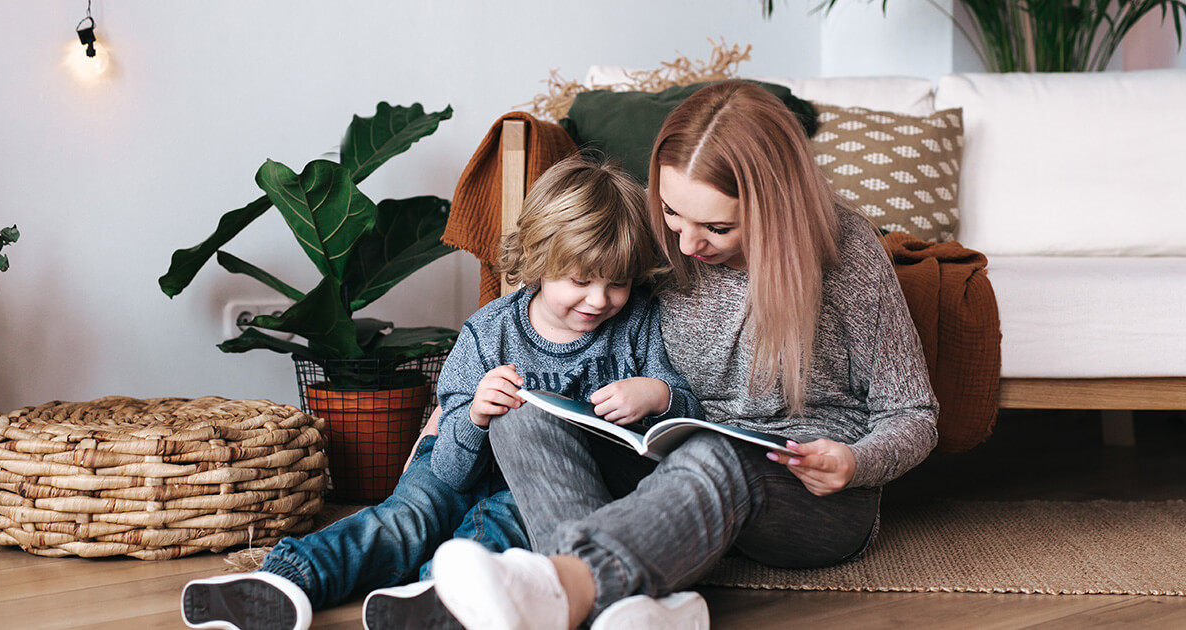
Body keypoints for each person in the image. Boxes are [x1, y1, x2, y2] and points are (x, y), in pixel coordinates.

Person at [428, 79, 940, 630]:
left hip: (809, 494)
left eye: (717, 227)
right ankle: (625, 609)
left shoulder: (849, 255)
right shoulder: (664, 238)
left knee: (717, 457)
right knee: (522, 417)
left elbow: (914, 415)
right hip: (672, 464)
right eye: (672, 212)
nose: (687, 245)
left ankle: (566, 589)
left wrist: (855, 463)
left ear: (778, 207)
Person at [180, 154, 703, 630]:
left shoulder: (637, 324)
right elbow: (451, 469)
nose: (599, 299)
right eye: (581, 280)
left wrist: (657, 394)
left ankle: (437, 598)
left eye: (617, 283)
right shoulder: (488, 333)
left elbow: (684, 412)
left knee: (502, 529)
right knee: (406, 521)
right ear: (540, 261)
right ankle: (284, 579)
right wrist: (474, 416)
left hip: (543, 483)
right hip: (457, 457)